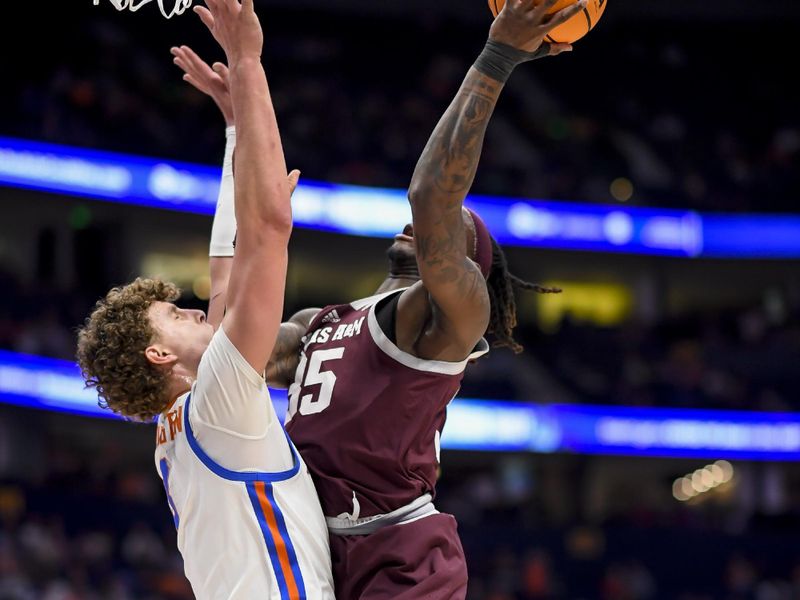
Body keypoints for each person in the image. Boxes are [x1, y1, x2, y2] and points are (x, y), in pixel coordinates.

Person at [173, 1, 578, 597]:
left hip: (401, 553)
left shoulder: (450, 317)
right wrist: (239, 137)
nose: (424, 226)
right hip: (316, 542)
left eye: (453, 229)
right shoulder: (321, 323)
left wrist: (499, 56)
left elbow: (431, 193)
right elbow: (231, 346)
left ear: (465, 263)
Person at [76, 0, 335, 598]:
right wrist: (247, 63)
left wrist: (236, 131)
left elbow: (225, 275)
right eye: (172, 316)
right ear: (160, 356)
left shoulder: (185, 423)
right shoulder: (215, 404)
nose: (194, 309)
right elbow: (266, 231)